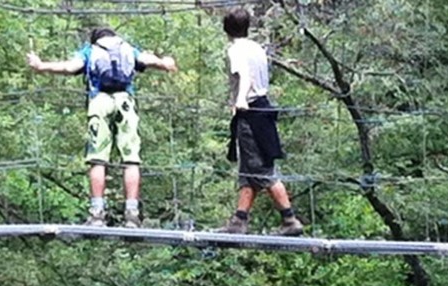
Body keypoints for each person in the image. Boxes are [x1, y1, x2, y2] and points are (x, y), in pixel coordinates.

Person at [26, 28, 178, 228]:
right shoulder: (128, 48)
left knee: (98, 158)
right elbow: (149, 60)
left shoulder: (90, 51)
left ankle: (97, 214)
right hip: (125, 102)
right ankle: (132, 214)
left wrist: (41, 66)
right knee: (131, 159)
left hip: (99, 101)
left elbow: (70, 67)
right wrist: (165, 63)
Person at [214, 9, 304, 236]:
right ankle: (239, 220)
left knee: (262, 171)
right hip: (263, 108)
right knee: (249, 171)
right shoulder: (257, 48)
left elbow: (244, 75)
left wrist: (241, 98)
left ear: (226, 29)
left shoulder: (235, 50)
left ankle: (289, 218)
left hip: (251, 112)